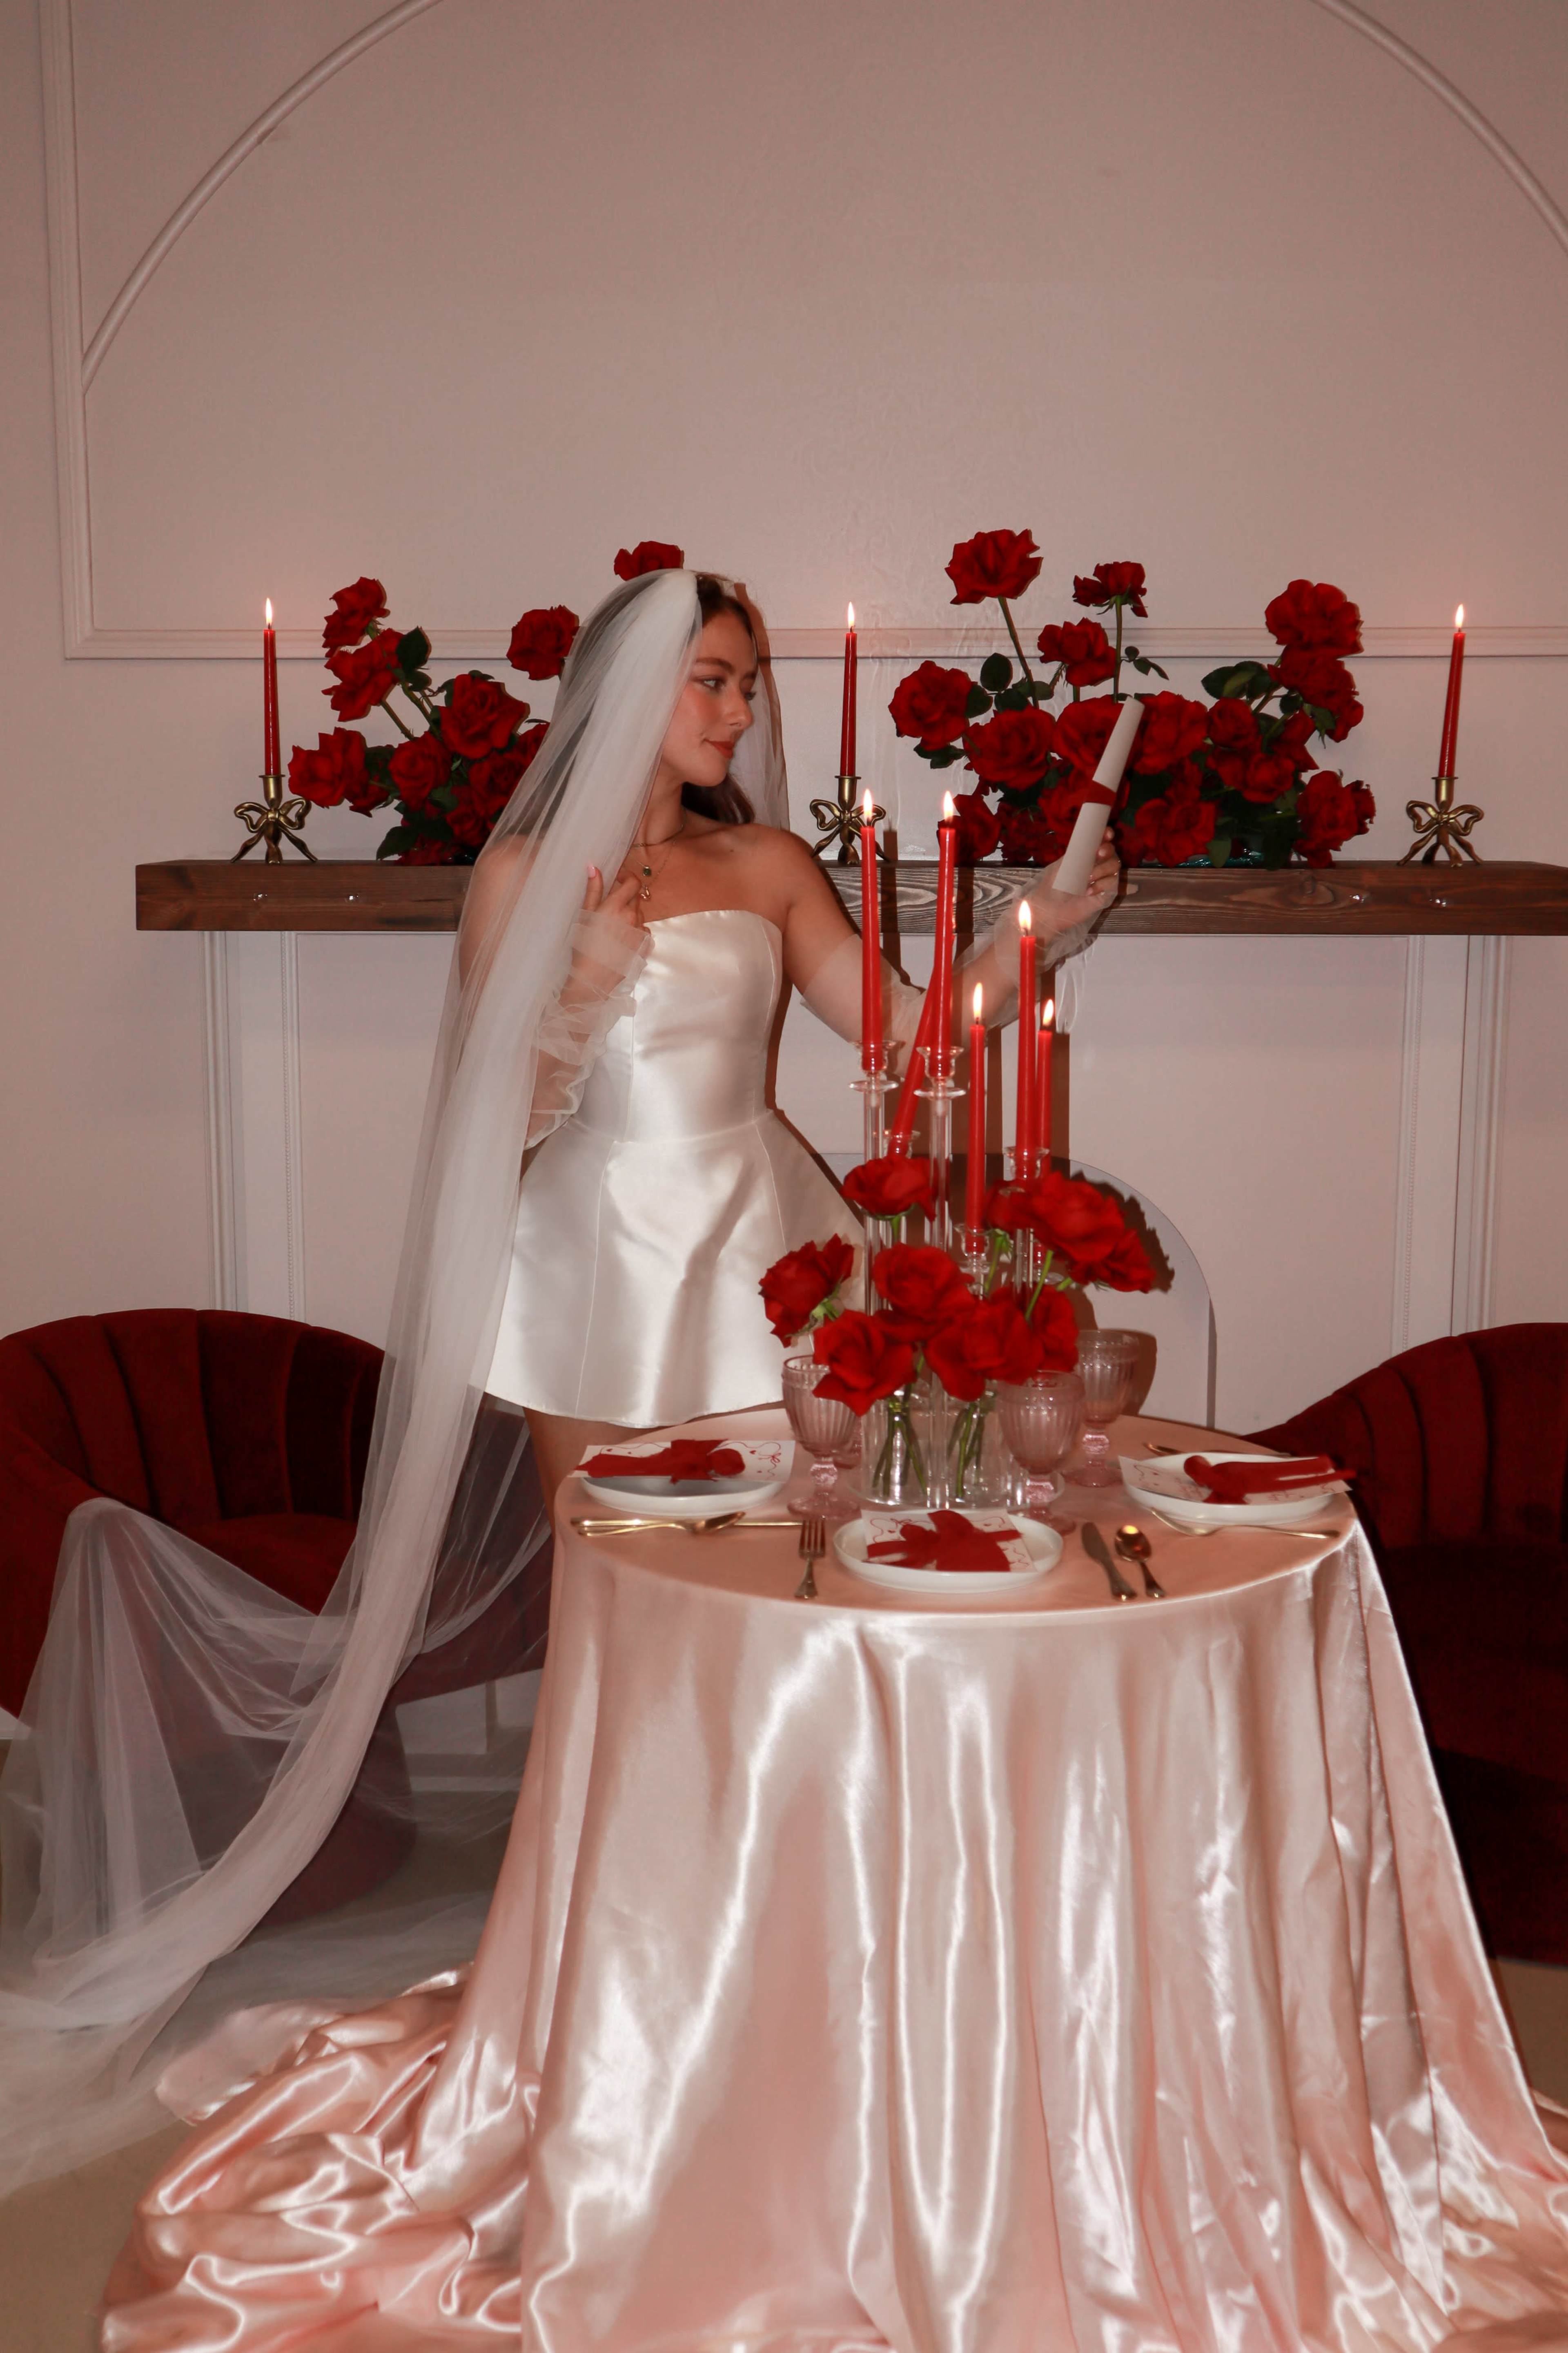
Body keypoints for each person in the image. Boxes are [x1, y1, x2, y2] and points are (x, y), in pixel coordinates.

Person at [68, 569, 1116, 2342]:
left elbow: (908, 1044)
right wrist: (569, 980)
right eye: (713, 683)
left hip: (749, 1258)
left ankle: (781, 1976)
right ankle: (609, 1993)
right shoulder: (514, 875)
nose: (737, 716)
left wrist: (1042, 932)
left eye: (742, 685)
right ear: (633, 695)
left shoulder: (771, 866)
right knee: (612, 1628)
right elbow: (496, 1101)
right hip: (584, 1275)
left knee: (768, 1621)